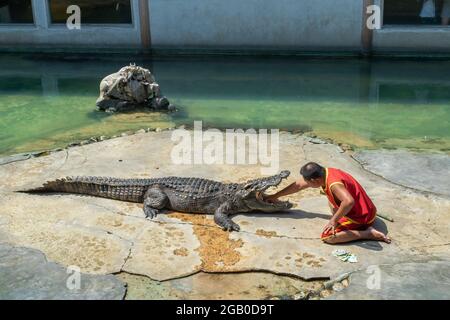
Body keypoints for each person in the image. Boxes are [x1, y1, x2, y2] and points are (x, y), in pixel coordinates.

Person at [265, 162, 391, 244]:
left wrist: (334, 221)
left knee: (328, 237)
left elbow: (349, 202)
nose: (305, 183)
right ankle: (354, 224)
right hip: (369, 210)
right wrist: (275, 196)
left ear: (316, 180)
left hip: (361, 218)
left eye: (308, 181)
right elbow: (298, 185)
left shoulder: (333, 184)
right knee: (331, 200)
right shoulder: (326, 172)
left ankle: (366, 233)